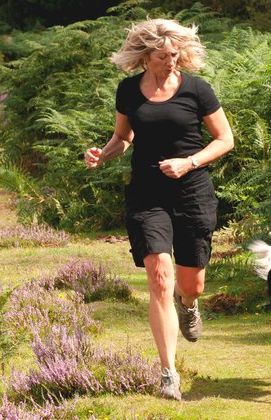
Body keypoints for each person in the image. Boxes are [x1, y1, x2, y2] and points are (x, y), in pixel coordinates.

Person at [83, 18, 234, 401]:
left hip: (192, 192)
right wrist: (103, 154)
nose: (173, 61)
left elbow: (225, 139)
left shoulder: (197, 89)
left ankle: (190, 305)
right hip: (148, 194)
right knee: (159, 277)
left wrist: (190, 162)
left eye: (176, 54)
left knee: (190, 283)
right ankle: (169, 373)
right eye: (164, 56)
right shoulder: (129, 91)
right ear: (145, 57)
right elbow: (123, 137)